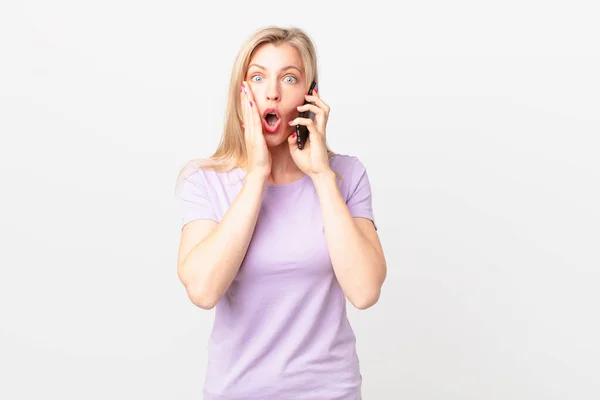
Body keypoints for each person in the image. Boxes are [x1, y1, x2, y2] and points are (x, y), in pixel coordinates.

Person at [175, 26, 387, 400]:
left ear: (310, 96)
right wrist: (256, 173)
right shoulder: (205, 181)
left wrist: (321, 175)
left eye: (289, 78)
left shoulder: (346, 175)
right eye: (258, 77)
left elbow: (365, 290)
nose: (272, 91)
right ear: (242, 94)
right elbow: (204, 290)